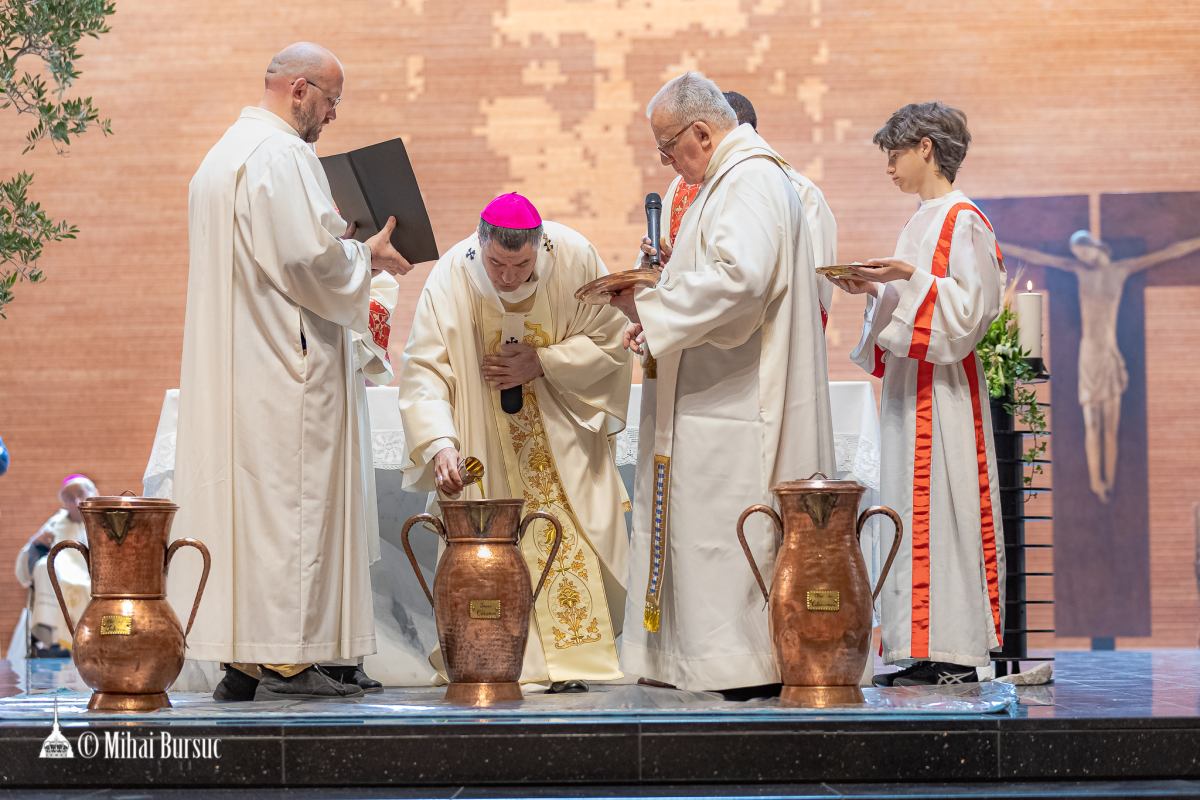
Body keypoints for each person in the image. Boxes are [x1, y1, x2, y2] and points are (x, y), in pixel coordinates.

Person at [169, 42, 412, 702]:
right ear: (299, 89)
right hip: (288, 370)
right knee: (292, 509)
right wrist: (368, 255)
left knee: (250, 512)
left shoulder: (221, 158)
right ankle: (287, 656)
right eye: (332, 100)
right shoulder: (283, 155)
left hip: (237, 369)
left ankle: (244, 660)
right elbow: (312, 262)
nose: (332, 115)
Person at [609, 73, 835, 694]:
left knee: (725, 534)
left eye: (666, 149)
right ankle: (708, 665)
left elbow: (740, 280)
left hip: (736, 407)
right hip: (720, 394)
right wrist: (657, 318)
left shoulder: (750, 179)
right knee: (707, 536)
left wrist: (652, 308)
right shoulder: (736, 180)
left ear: (701, 133)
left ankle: (737, 667)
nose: (667, 164)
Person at [398, 193, 631, 693]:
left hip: (560, 440)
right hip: (484, 443)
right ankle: (506, 659)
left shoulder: (574, 257)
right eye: (497, 264)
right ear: (480, 243)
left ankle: (575, 660)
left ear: (538, 247)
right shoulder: (450, 277)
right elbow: (424, 373)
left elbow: (612, 340)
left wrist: (543, 362)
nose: (507, 277)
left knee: (574, 539)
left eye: (520, 264)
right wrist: (440, 443)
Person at [830, 101, 1005, 685]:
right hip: (913, 392)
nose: (889, 167)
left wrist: (907, 279)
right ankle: (920, 649)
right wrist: (875, 290)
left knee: (948, 512)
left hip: (947, 392)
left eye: (894, 153)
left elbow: (971, 310)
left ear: (925, 147)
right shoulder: (920, 220)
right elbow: (913, 304)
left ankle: (956, 653)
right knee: (909, 512)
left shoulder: (964, 219)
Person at [1002, 231, 1200, 503]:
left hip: (1108, 353)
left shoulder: (1121, 270)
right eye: (1076, 254)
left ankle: (1109, 480)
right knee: (1092, 423)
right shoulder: (1078, 271)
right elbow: (1036, 256)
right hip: (1089, 355)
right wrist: (1000, 243)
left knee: (1110, 424)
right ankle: (1096, 482)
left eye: (1082, 251)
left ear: (1093, 246)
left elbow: (1168, 252)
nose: (1080, 258)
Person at [653, 90, 837, 328]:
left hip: (753, 340)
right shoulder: (683, 187)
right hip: (692, 333)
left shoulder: (792, 189)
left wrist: (657, 311)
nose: (667, 161)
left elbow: (806, 288)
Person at [14, 475, 97, 657]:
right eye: (69, 498)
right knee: (44, 565)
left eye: (81, 494)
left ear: (94, 494)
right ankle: (50, 638)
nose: (76, 501)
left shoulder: (103, 521)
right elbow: (26, 566)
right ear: (64, 503)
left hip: (93, 583)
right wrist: (36, 543)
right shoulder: (56, 522)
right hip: (60, 580)